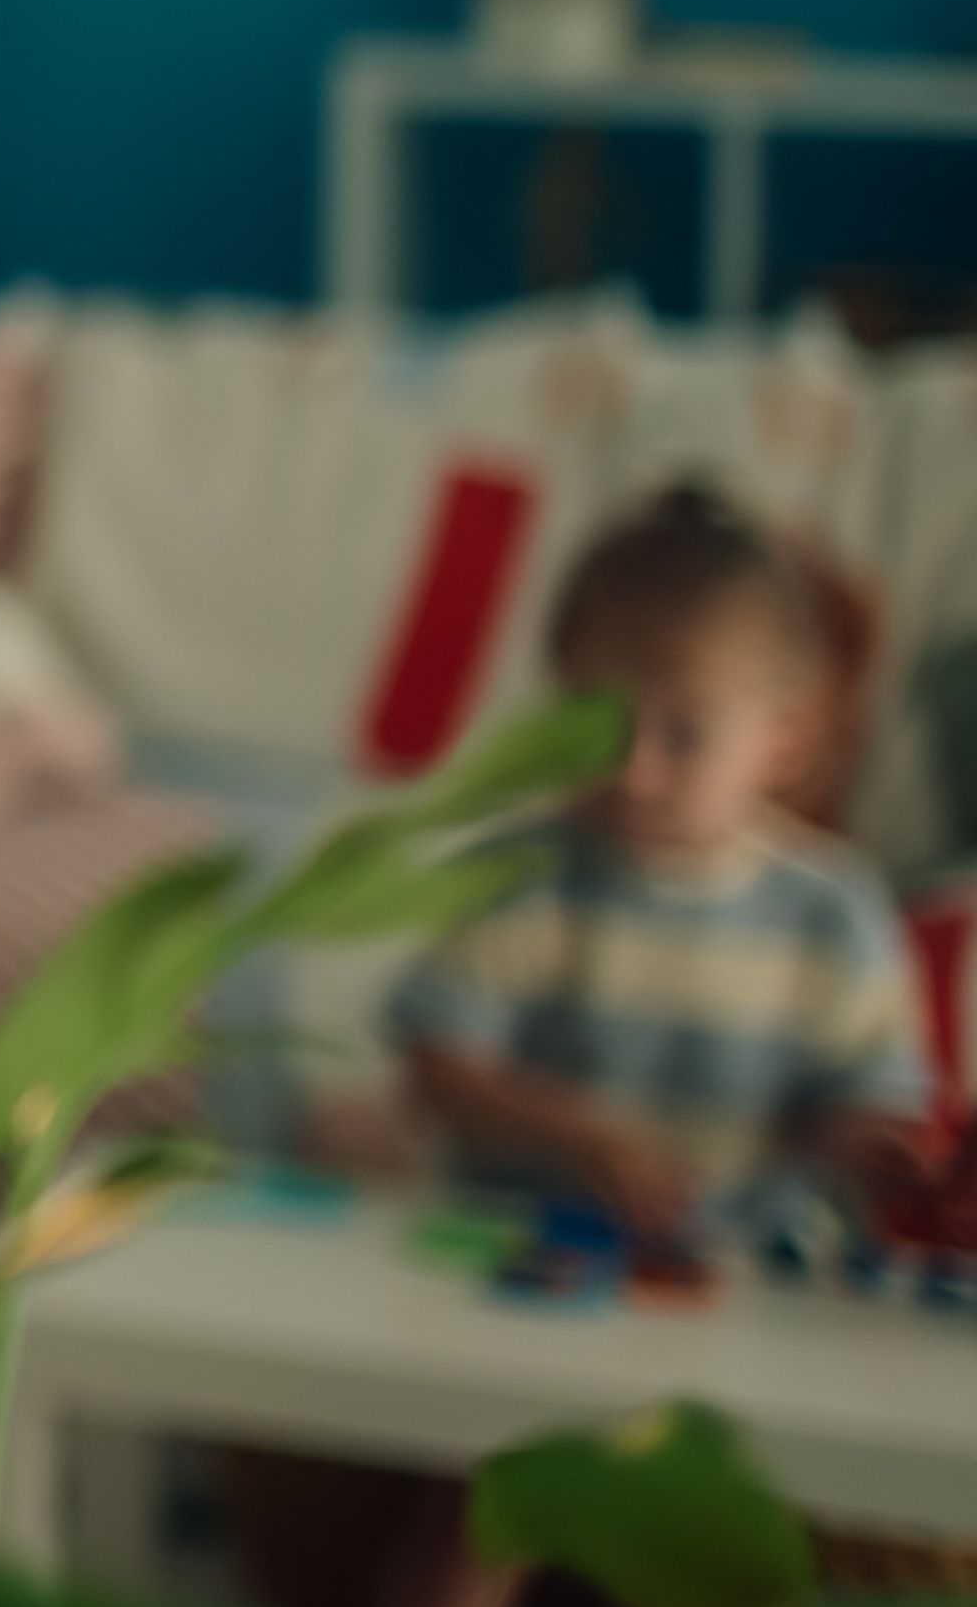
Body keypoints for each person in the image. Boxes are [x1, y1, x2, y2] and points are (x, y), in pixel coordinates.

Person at [388, 483, 932, 1257]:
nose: (635, 770)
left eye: (685, 733)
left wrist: (884, 1154)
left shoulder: (834, 911)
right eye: (600, 720)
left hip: (736, 1286)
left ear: (787, 734)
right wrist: (569, 1139)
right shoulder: (519, 874)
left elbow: (870, 1107)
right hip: (508, 1259)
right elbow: (436, 1063)